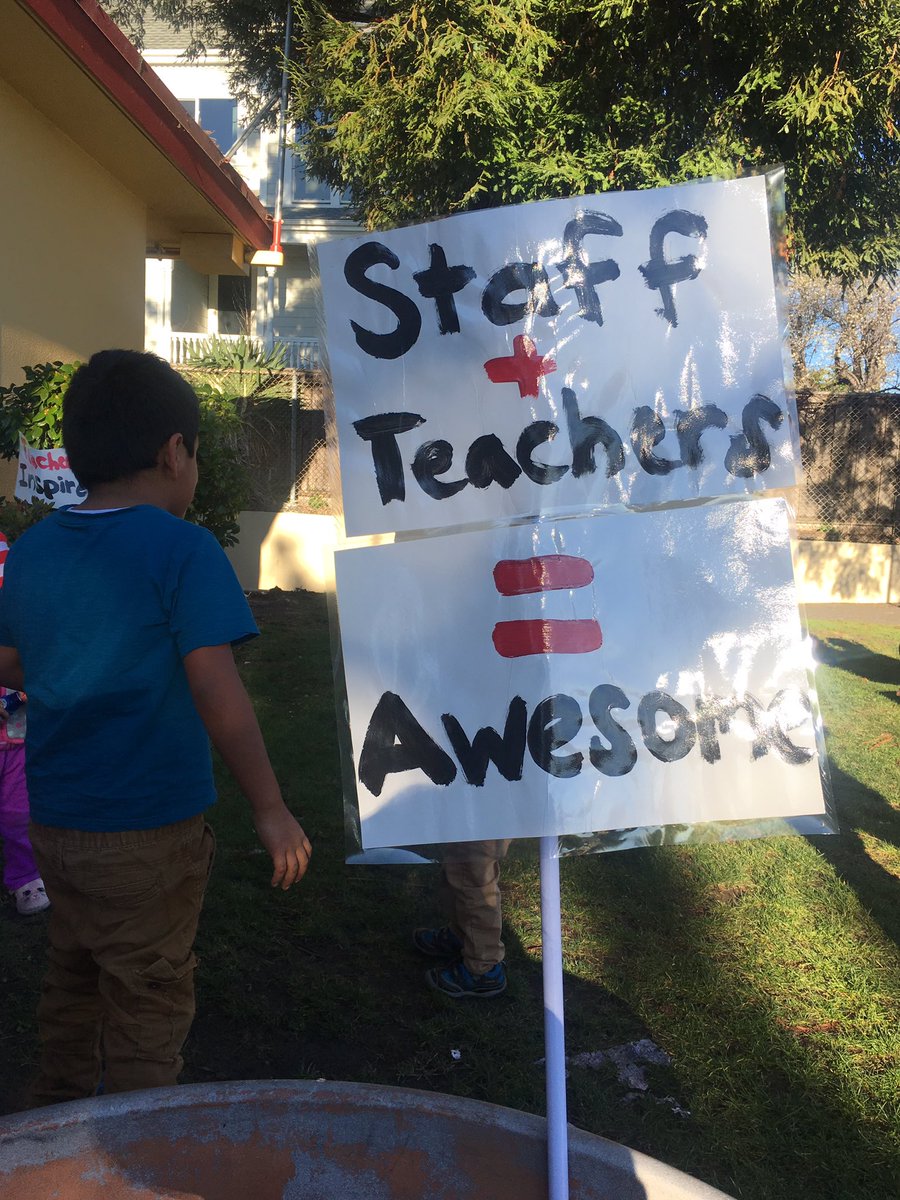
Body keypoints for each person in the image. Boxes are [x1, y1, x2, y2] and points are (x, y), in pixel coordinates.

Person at [0, 349, 311, 1105]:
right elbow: (219, 692)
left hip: (58, 827)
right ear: (177, 454)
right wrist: (270, 811)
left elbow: (12, 663)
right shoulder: (185, 549)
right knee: (149, 997)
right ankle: (142, 1155)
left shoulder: (36, 547)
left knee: (73, 975)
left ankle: (55, 1127)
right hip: (149, 832)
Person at [0, 531, 48, 916]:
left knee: (18, 811)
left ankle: (25, 876)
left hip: (16, 736)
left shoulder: (22, 622)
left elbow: (38, 662)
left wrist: (27, 690)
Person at [414, 838, 509, 998]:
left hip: (486, 820)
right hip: (471, 818)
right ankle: (462, 936)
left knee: (475, 876)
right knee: (458, 865)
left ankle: (482, 967)